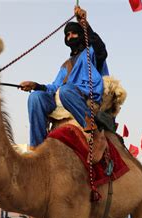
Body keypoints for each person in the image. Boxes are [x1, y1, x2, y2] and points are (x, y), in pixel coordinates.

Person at [19, 6, 109, 148]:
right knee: (35, 97)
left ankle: (94, 132)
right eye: (67, 35)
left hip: (83, 97)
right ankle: (37, 147)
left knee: (66, 91)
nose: (70, 37)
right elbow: (55, 87)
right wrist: (36, 86)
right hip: (62, 96)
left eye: (74, 33)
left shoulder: (90, 52)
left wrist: (85, 24)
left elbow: (101, 51)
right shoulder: (65, 65)